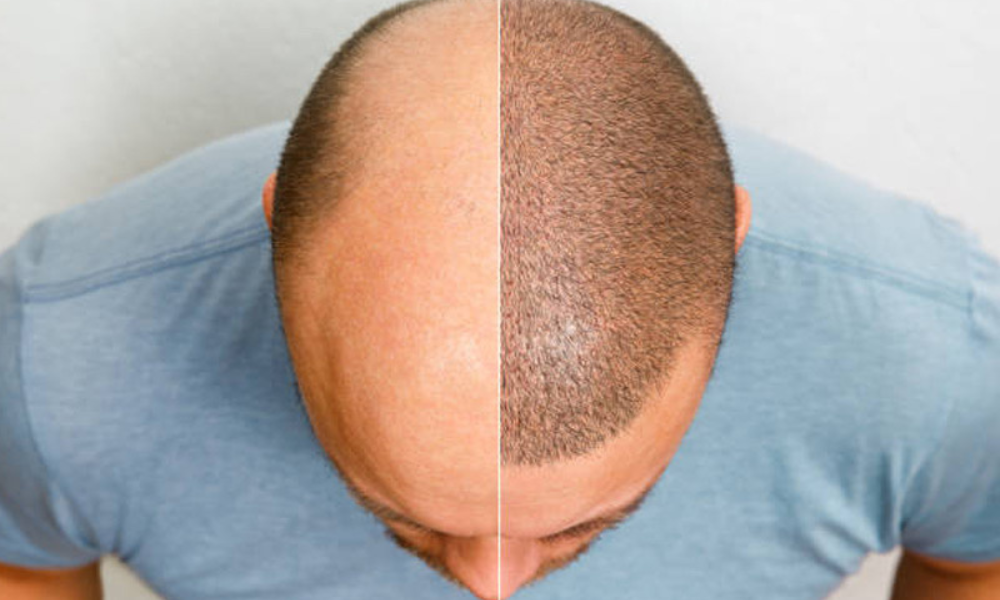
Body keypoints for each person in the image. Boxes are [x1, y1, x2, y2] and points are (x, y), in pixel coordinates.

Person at [1, 0, 998, 598]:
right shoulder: (53, 358)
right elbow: (24, 557)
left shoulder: (939, 353)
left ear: (729, 250)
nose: (492, 585)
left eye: (579, 525)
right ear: (280, 233)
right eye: (405, 514)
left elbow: (975, 555)